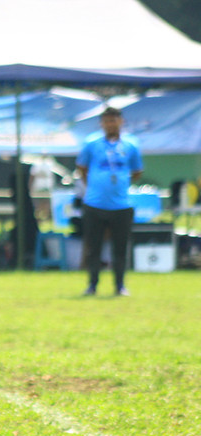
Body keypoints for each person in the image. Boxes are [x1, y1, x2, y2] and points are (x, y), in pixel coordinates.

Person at [76, 107, 143, 296]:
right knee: (93, 247)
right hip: (94, 204)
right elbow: (82, 167)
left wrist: (120, 183)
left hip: (121, 205)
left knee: (120, 248)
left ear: (121, 122)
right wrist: (94, 186)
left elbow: (137, 171)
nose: (110, 124)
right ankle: (92, 285)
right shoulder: (91, 143)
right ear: (101, 124)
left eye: (113, 120)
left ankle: (120, 286)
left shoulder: (131, 144)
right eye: (106, 121)